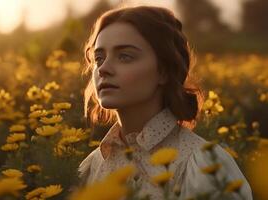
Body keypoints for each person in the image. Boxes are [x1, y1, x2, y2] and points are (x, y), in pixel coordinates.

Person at [77, 5, 253, 200]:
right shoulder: (93, 165)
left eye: (125, 56)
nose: (103, 69)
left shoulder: (203, 165)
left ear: (164, 71)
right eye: (98, 58)